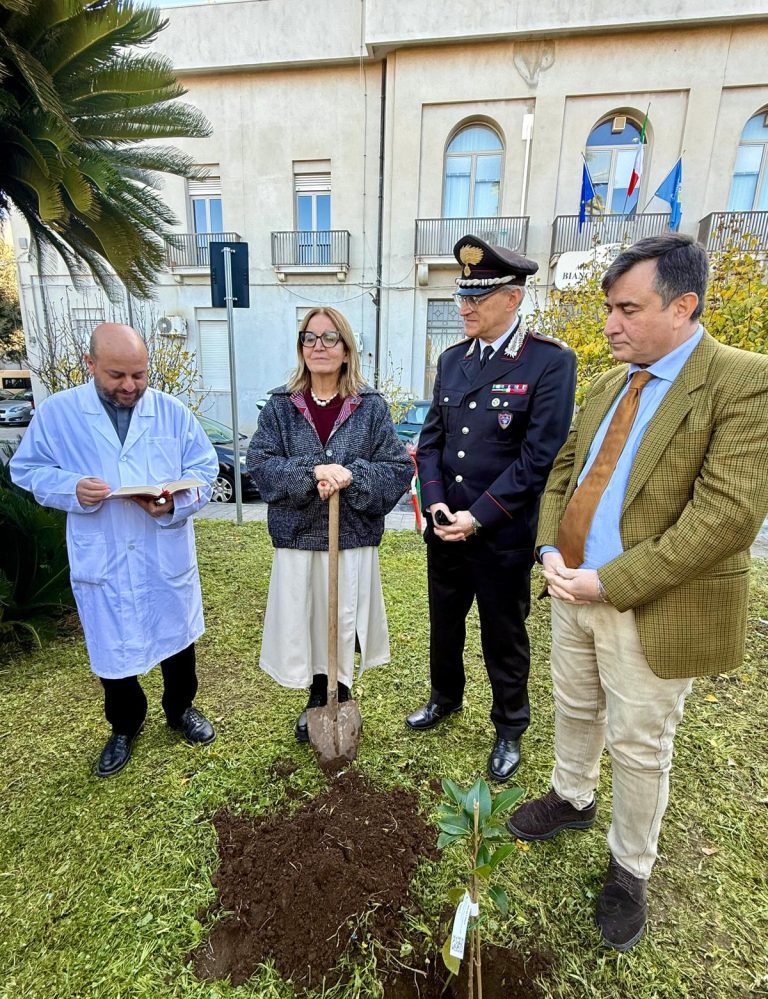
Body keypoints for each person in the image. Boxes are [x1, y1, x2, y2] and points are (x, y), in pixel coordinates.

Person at [506, 234, 768, 951]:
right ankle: (572, 794)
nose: (610, 324)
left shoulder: (745, 381)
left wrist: (610, 581)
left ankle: (630, 869)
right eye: (607, 308)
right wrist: (553, 549)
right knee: (576, 702)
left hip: (649, 604)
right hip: (572, 588)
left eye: (628, 308)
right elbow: (564, 472)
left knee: (642, 742)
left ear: (683, 306)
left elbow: (726, 519)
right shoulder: (606, 383)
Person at [11, 323, 220, 778]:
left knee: (176, 638)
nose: (130, 386)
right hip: (101, 550)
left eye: (139, 376)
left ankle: (181, 710)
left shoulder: (172, 412)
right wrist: (71, 488)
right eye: (117, 376)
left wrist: (174, 502)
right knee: (112, 644)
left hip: (161, 547)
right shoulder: (58, 413)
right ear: (91, 366)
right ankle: (124, 726)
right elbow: (26, 469)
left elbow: (204, 469)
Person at [405, 234, 577, 782]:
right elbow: (431, 442)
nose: (465, 307)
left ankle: (509, 727)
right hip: (445, 527)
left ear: (513, 297)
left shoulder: (549, 362)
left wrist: (477, 515)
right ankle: (444, 698)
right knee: (444, 623)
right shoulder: (452, 361)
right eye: (462, 297)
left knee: (503, 632)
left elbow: (538, 457)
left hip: (499, 532)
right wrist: (435, 505)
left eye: (478, 298)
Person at [247, 306, 412, 740]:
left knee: (343, 620)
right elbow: (260, 464)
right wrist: (313, 473)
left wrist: (351, 475)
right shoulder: (281, 406)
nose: (319, 346)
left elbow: (397, 468)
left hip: (350, 539)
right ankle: (316, 697)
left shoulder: (370, 407)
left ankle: (340, 695)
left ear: (346, 349)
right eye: (310, 338)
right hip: (299, 539)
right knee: (307, 623)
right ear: (301, 347)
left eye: (330, 337)